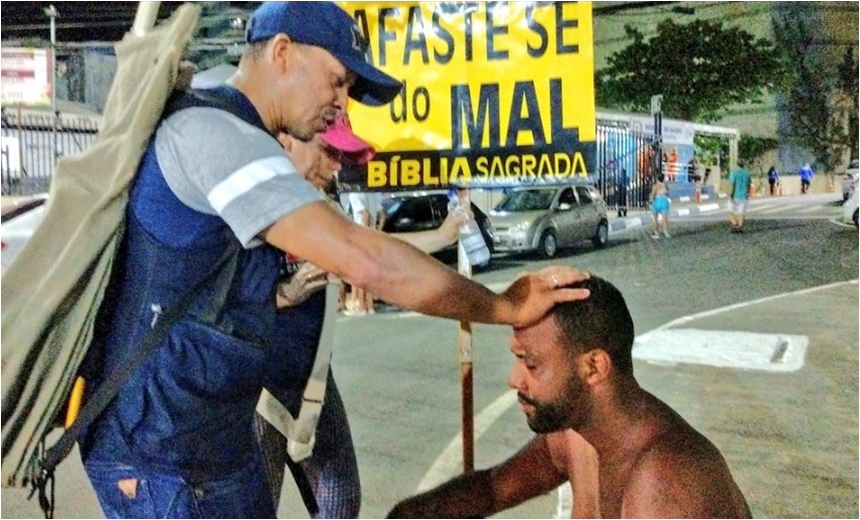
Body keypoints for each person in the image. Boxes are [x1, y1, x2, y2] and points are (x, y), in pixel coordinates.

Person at [77, 2, 590, 518]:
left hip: (208, 438)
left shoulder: (241, 135)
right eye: (336, 81)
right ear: (282, 52)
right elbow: (366, 260)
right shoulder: (215, 135)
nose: (341, 106)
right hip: (162, 452)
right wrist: (505, 306)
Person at [388, 276, 752, 519]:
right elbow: (492, 489)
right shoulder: (575, 434)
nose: (514, 380)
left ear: (594, 367)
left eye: (530, 364)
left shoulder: (667, 481)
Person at [259, 114, 471, 518]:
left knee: (341, 505)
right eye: (328, 151)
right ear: (288, 141)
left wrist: (443, 236)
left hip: (314, 384)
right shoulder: (245, 201)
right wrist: (283, 296)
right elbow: (204, 302)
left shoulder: (321, 207)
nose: (338, 164)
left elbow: (376, 254)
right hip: (254, 392)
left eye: (342, 154)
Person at [345, 190, 385, 315]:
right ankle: (370, 305)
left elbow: (365, 214)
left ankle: (361, 306)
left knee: (358, 273)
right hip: (372, 236)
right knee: (368, 273)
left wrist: (364, 234)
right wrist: (377, 231)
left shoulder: (355, 195)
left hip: (361, 237)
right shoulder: (372, 194)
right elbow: (382, 215)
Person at [728, 161, 752, 233]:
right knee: (741, 211)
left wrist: (730, 194)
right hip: (744, 195)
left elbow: (732, 184)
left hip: (735, 195)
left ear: (736, 165)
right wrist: (747, 193)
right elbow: (748, 185)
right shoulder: (747, 174)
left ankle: (735, 224)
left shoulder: (733, 173)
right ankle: (740, 226)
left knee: (729, 212)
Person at [648, 173, 670, 239]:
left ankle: (656, 231)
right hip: (664, 202)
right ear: (663, 179)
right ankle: (665, 230)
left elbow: (652, 195)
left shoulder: (655, 186)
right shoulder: (665, 186)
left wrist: (650, 201)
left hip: (656, 202)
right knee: (665, 218)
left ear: (657, 178)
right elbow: (668, 193)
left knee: (655, 219)